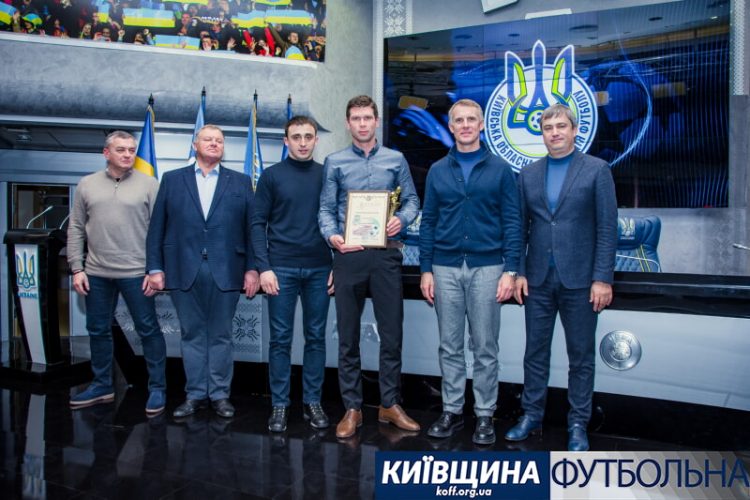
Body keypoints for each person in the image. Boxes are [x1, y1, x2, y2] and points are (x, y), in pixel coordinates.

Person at [505, 103, 618, 451]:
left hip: (581, 282)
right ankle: (531, 415)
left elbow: (607, 228)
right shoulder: (528, 174)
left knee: (580, 356)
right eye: (548, 127)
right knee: (534, 353)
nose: (554, 132)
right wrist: (518, 271)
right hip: (537, 280)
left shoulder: (597, 170)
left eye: (561, 126)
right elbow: (519, 227)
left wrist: (602, 278)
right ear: (542, 133)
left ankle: (578, 424)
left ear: (574, 130)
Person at [419, 99, 522, 445]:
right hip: (444, 266)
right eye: (459, 120)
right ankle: (451, 411)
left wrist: (511, 270)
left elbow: (513, 221)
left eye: (471, 120)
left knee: (484, 345)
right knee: (449, 345)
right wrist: (426, 269)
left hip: (489, 267)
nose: (465, 125)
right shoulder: (437, 170)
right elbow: (429, 222)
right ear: (451, 127)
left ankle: (484, 414)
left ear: (481, 125)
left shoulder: (501, 169)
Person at [318, 95, 421, 439]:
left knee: (391, 334)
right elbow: (325, 209)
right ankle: (352, 408)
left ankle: (390, 404)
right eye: (356, 118)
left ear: (376, 121)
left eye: (367, 118)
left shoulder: (396, 159)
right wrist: (333, 237)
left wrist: (401, 219)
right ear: (348, 123)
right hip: (348, 255)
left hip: (385, 255)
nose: (362, 123)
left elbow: (411, 200)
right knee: (347, 336)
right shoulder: (335, 162)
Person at [146, 124, 260, 419]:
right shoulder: (172, 180)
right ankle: (195, 393)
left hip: (228, 270)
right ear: (195, 144)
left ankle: (220, 394)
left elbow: (252, 229)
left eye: (219, 140)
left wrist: (252, 268)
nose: (214, 144)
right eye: (207, 139)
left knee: (221, 335)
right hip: (182, 268)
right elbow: (157, 227)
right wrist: (155, 267)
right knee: (192, 334)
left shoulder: (241, 182)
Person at [67, 131, 167, 415]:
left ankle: (157, 388)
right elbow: (76, 227)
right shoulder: (87, 184)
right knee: (98, 329)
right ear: (106, 153)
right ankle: (102, 385)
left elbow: (160, 230)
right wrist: (77, 268)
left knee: (148, 330)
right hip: (96, 272)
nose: (127, 154)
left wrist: (155, 269)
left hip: (136, 272)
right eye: (121, 149)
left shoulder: (149, 184)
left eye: (131, 150)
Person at [251, 116, 333, 433]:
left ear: (316, 140)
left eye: (308, 136)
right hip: (280, 269)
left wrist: (338, 266)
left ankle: (313, 401)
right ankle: (280, 405)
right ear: (286, 141)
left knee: (316, 338)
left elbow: (340, 222)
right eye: (296, 137)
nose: (302, 142)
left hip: (320, 268)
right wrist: (264, 267)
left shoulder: (328, 175)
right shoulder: (271, 176)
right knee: (281, 340)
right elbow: (256, 223)